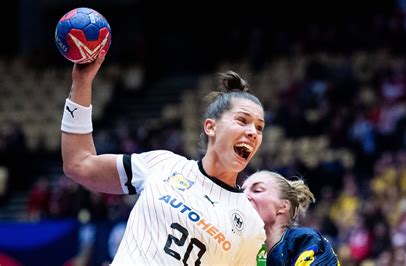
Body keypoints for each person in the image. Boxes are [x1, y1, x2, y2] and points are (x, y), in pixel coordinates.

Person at [60, 50, 266, 265]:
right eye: (242, 120)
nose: (253, 132)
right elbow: (79, 164)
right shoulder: (162, 164)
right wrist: (82, 81)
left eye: (260, 127)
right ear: (210, 127)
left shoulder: (250, 224)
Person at [243, 170, 340, 265]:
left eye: (257, 190)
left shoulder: (304, 240)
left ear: (283, 206)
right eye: (241, 190)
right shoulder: (244, 253)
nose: (243, 195)